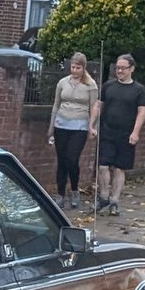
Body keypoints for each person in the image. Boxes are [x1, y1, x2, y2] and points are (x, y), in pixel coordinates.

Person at [89, 54, 145, 216]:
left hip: (126, 134)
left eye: (123, 68)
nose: (119, 71)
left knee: (120, 169)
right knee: (102, 166)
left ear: (132, 69)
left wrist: (136, 132)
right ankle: (103, 196)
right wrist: (91, 125)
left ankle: (115, 200)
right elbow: (97, 106)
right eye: (118, 68)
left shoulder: (138, 90)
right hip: (107, 132)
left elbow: (142, 112)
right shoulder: (108, 86)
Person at [47, 52, 98, 209]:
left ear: (84, 68)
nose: (74, 70)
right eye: (73, 67)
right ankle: (60, 194)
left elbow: (94, 107)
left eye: (78, 68)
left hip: (79, 126)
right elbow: (56, 105)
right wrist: (51, 129)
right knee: (62, 160)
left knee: (71, 158)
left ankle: (75, 190)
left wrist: (92, 127)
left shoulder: (91, 85)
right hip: (61, 124)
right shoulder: (62, 82)